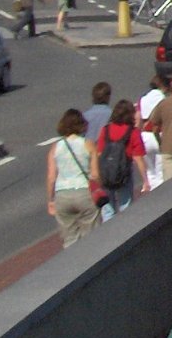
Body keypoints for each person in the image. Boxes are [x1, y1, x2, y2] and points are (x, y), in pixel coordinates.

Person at [46, 109, 99, 247]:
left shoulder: (55, 147)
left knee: (69, 239)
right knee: (92, 238)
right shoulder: (88, 144)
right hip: (84, 192)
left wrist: (51, 200)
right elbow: (95, 175)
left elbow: (51, 177)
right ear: (82, 125)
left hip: (62, 195)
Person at [92, 98, 146, 214]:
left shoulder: (105, 130)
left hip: (106, 175)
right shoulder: (133, 132)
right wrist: (145, 180)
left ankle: (108, 231)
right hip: (123, 174)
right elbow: (138, 158)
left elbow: (99, 153)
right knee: (126, 207)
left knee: (107, 210)